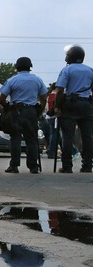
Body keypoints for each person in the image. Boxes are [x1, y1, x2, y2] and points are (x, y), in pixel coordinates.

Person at [0, 57, 48, 174]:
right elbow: (44, 97)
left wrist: (7, 107)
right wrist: (39, 111)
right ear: (30, 67)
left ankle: (14, 165)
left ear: (17, 67)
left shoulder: (12, 80)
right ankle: (33, 166)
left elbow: (1, 99)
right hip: (31, 112)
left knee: (15, 139)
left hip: (16, 112)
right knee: (32, 139)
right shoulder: (37, 80)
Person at [54, 45, 93, 173]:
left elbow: (60, 90)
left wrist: (57, 106)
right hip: (86, 104)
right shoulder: (90, 70)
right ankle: (87, 165)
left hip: (70, 104)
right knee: (87, 137)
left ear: (69, 57)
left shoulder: (67, 70)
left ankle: (67, 166)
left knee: (67, 136)